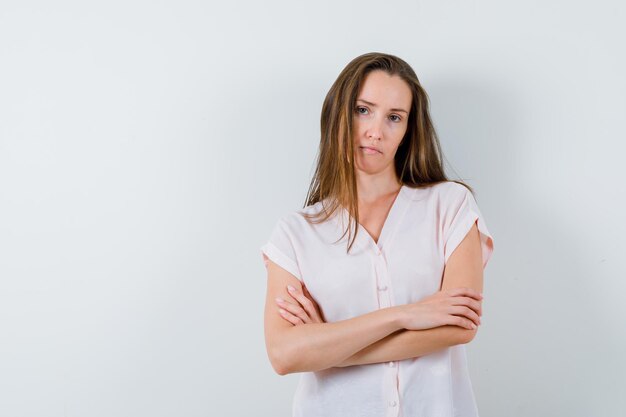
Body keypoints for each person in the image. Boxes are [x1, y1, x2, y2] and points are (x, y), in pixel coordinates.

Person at [259, 52, 495, 417]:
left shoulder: (449, 205)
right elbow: (284, 354)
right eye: (362, 110)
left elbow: (459, 326)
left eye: (394, 118)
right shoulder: (295, 233)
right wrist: (404, 315)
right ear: (338, 112)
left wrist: (328, 348)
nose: (375, 131)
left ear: (407, 131)